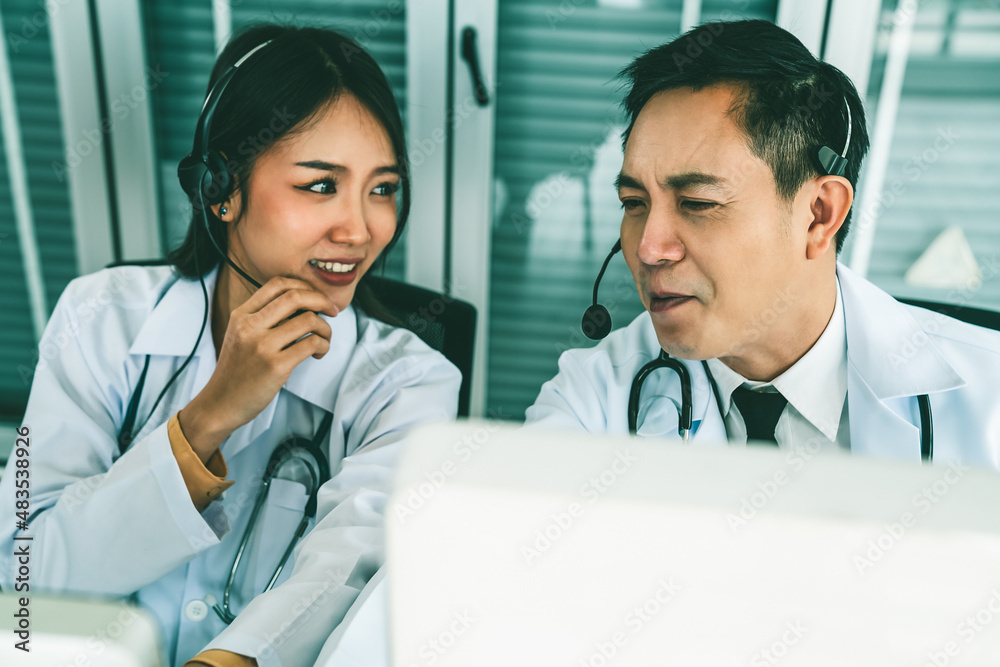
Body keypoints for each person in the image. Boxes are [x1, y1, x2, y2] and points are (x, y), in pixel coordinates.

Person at [0, 24, 461, 667]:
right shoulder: (98, 318)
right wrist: (208, 418)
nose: (360, 229)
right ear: (222, 188)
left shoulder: (410, 383)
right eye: (321, 185)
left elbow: (353, 579)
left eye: (382, 189)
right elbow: (23, 569)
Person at [526, 19, 1000, 465]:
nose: (649, 249)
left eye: (697, 203)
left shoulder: (990, 403)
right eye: (634, 203)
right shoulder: (591, 397)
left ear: (820, 215)